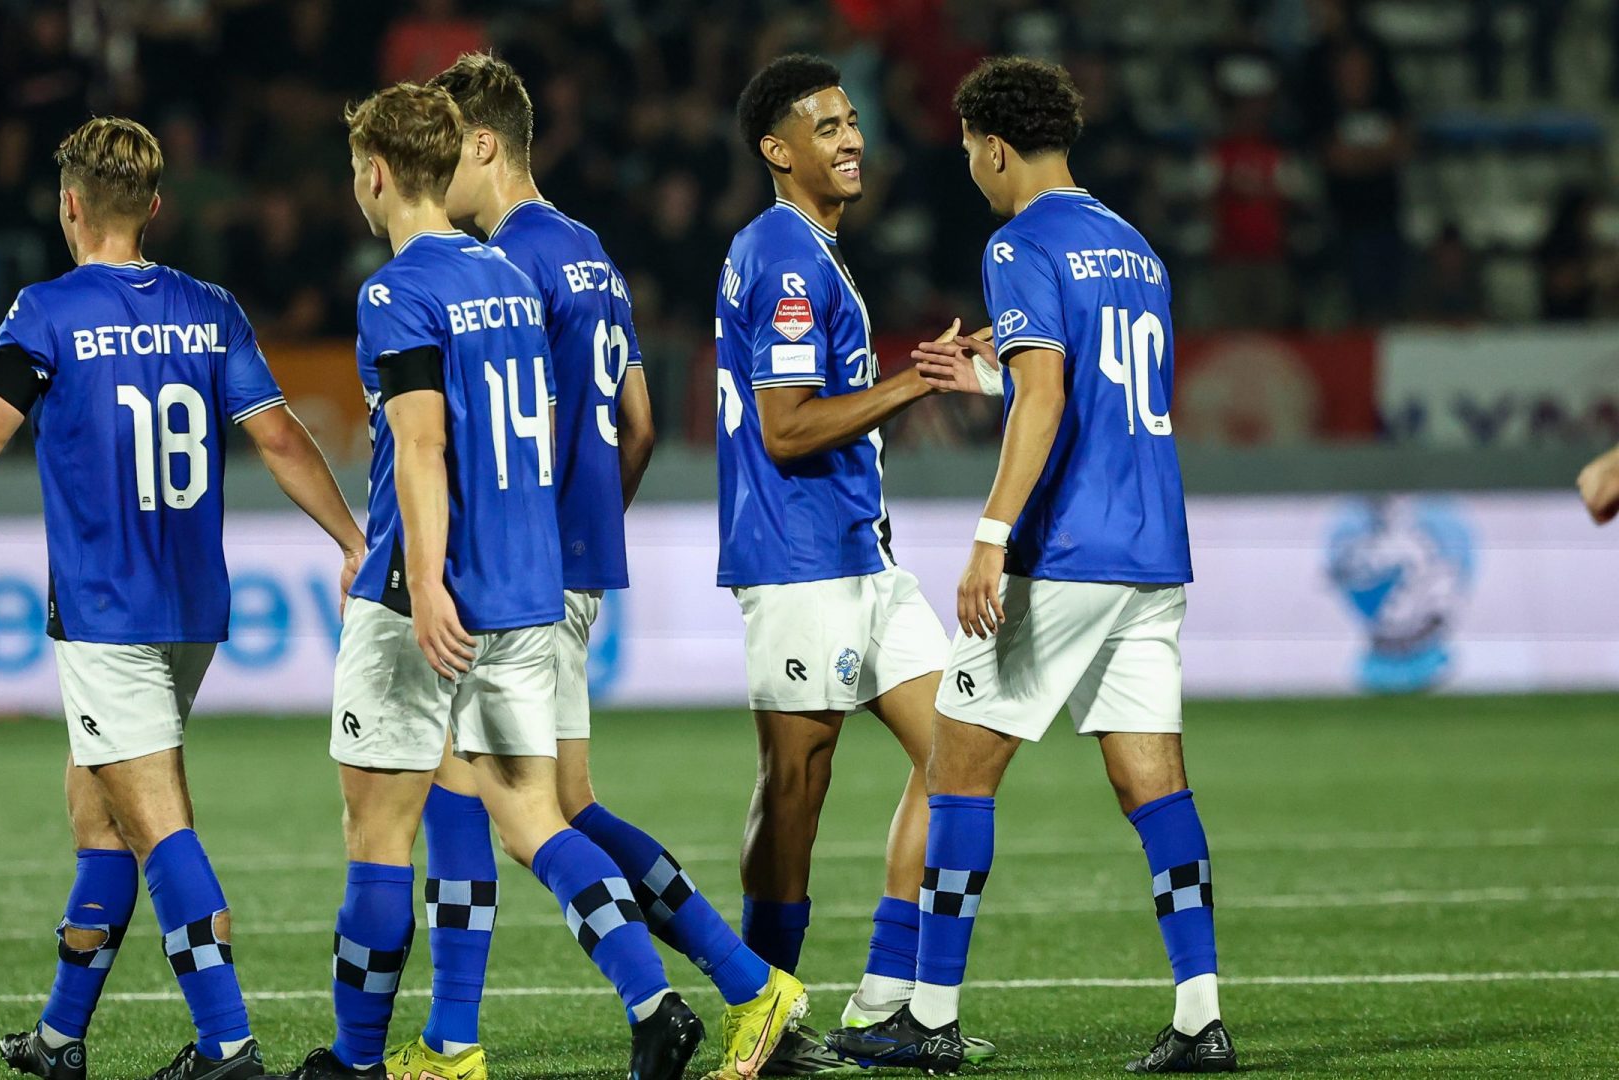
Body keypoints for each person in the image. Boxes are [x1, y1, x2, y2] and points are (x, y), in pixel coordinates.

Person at [0, 116, 369, 1080]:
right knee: (97, 811)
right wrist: (352, 538)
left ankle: (228, 1042)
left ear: (69, 204)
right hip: (193, 607)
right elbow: (276, 438)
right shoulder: (210, 307)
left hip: (108, 610)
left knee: (158, 826)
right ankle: (62, 1039)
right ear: (153, 207)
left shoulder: (45, 311)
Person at [264, 83, 701, 1080]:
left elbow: (419, 448)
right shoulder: (507, 275)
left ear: (375, 175)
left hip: (426, 594)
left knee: (378, 829)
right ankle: (654, 999)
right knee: (534, 818)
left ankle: (357, 1059)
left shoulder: (394, 292)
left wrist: (422, 583)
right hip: (521, 589)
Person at [824, 58, 1238, 1074]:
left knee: (957, 769)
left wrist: (991, 533)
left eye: (969, 149)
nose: (969, 166)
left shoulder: (1020, 242)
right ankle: (1200, 1015)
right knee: (1155, 785)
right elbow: (1082, 387)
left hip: (1068, 552)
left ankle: (927, 1013)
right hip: (1154, 552)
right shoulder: (1136, 249)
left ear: (995, 147)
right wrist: (990, 372)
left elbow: (1050, 400)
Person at [417, 52, 806, 1080]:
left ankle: (468, 1041)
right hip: (577, 561)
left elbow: (518, 433)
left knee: (486, 801)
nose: (430, 174)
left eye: (442, 151)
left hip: (519, 573)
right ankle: (749, 986)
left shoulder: (502, 265)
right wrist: (583, 533)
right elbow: (634, 423)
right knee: (564, 803)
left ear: (485, 144)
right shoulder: (587, 250)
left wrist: (508, 552)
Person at [715, 53, 997, 1073]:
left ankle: (883, 1001)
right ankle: (768, 1014)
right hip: (799, 563)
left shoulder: (810, 253)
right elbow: (787, 430)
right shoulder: (786, 260)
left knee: (958, 753)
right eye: (823, 125)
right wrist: (911, 386)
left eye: (851, 122)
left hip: (862, 563)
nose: (849, 139)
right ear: (775, 150)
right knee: (795, 789)